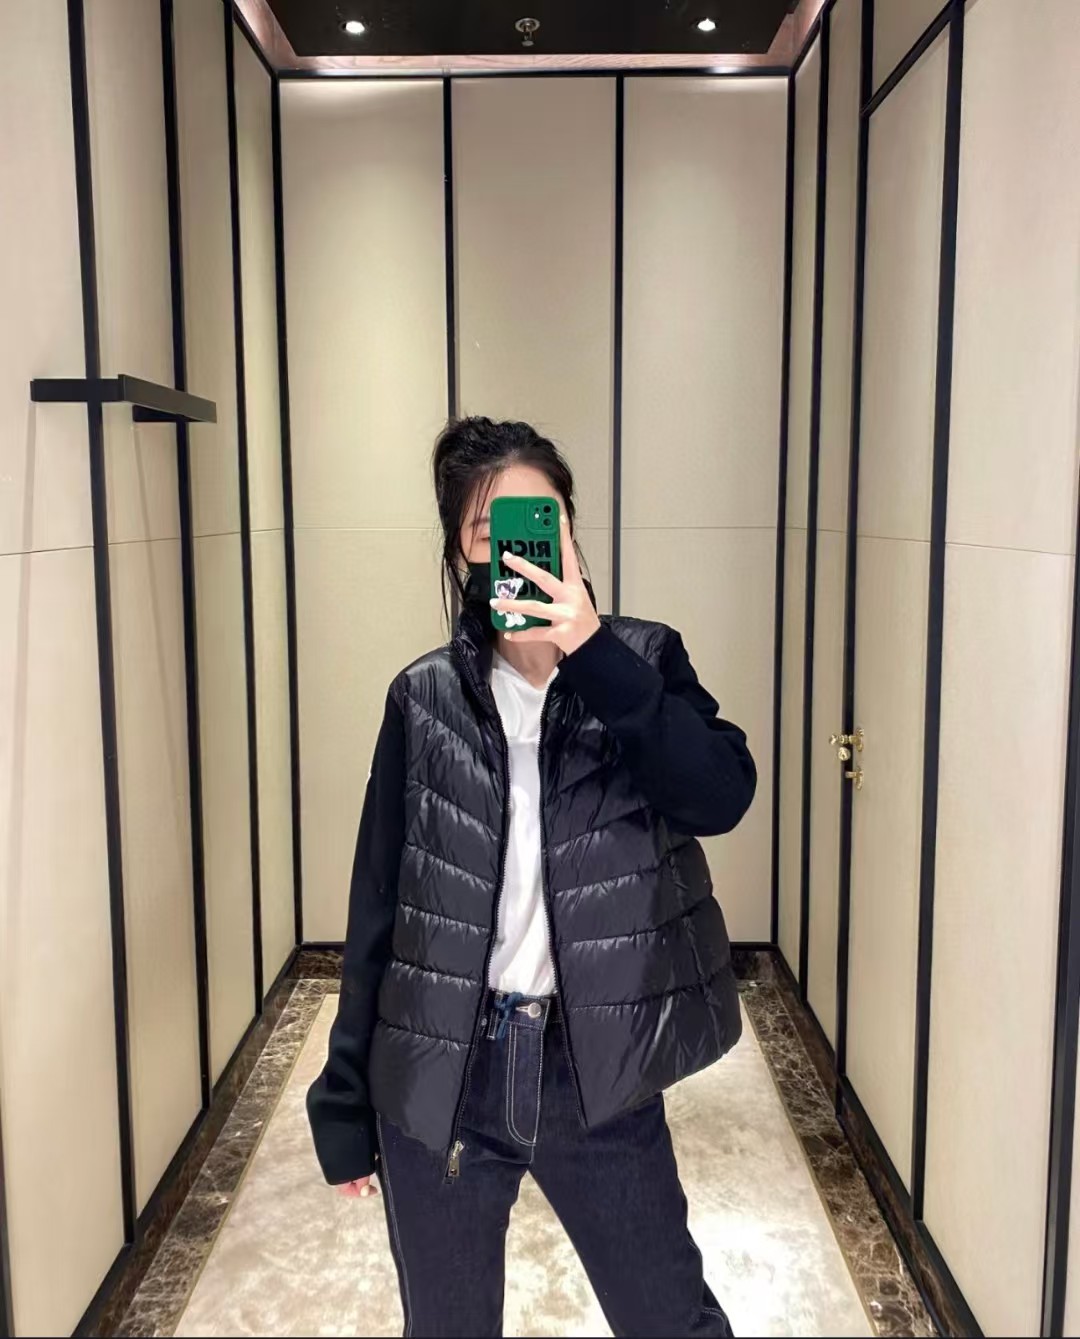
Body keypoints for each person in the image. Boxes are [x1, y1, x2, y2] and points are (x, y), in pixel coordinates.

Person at [307, 416, 757, 1338]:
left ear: (568, 528)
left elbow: (720, 792)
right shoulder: (422, 699)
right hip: (447, 1072)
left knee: (671, 1318)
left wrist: (593, 652)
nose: (513, 543)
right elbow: (379, 906)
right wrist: (343, 1096)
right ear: (462, 553)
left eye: (535, 517)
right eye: (486, 528)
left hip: (592, 1071)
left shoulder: (643, 660)